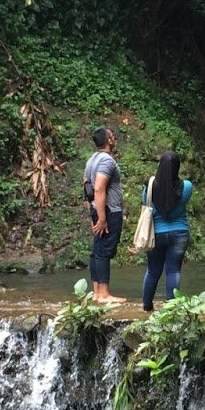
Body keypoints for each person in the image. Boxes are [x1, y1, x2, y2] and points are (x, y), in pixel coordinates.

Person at [140, 151, 193, 312]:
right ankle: (171, 309)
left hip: (156, 234)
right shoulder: (187, 187)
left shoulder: (149, 188)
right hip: (179, 233)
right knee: (173, 271)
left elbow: (146, 203)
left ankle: (147, 306)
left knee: (153, 271)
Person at [84, 125, 125, 304]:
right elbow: (99, 188)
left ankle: (96, 292)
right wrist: (102, 218)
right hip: (108, 211)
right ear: (108, 140)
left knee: (97, 250)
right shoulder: (107, 161)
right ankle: (104, 294)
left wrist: (91, 211)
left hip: (97, 208)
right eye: (112, 135)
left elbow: (87, 188)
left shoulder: (91, 160)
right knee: (104, 252)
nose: (114, 138)